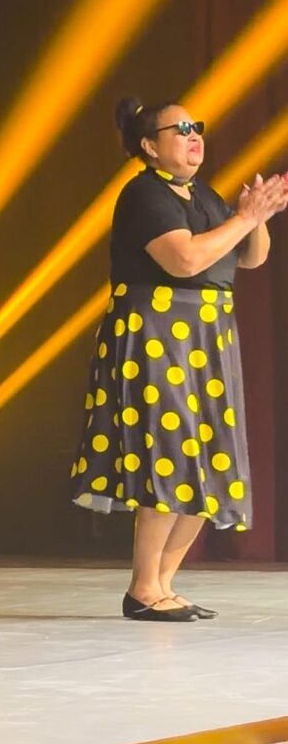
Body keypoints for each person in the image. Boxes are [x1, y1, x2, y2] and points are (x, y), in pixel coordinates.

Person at [71, 96, 288, 621]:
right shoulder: (144, 194)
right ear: (150, 145)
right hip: (158, 334)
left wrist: (253, 219)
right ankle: (143, 586)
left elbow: (252, 258)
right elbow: (185, 258)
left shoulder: (205, 195)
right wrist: (244, 217)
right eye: (181, 129)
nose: (195, 136)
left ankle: (163, 584)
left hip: (206, 336)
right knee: (167, 455)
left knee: (208, 460)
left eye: (198, 127)